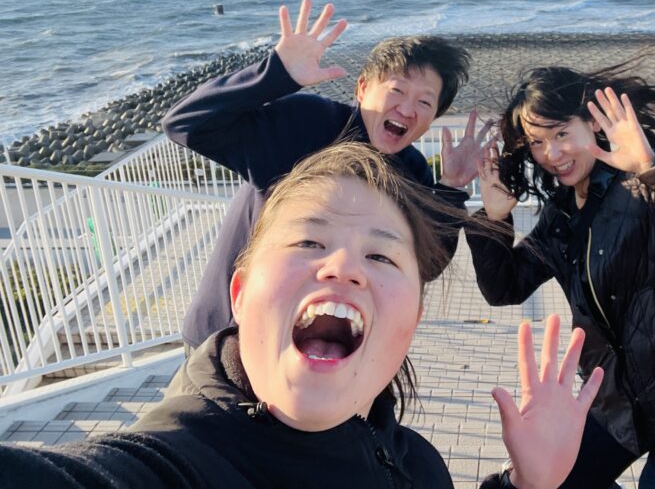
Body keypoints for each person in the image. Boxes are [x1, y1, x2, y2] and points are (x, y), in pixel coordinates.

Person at [0, 142, 604, 489]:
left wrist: (527, 485)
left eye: (380, 255)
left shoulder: (418, 464)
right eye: (309, 243)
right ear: (240, 294)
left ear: (412, 322)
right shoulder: (176, 460)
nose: (343, 267)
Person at [469, 65, 655, 489]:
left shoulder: (648, 184)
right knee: (542, 481)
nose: (551, 154)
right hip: (618, 406)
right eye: (538, 142)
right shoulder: (561, 215)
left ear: (594, 123)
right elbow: (505, 288)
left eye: (562, 133)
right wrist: (493, 221)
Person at [163, 0, 492, 350]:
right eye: (397, 90)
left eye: (425, 102)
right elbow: (186, 124)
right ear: (362, 88)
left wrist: (452, 188)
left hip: (327, 344)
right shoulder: (305, 124)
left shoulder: (412, 171)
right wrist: (276, 73)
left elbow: (424, 264)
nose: (408, 109)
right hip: (229, 335)